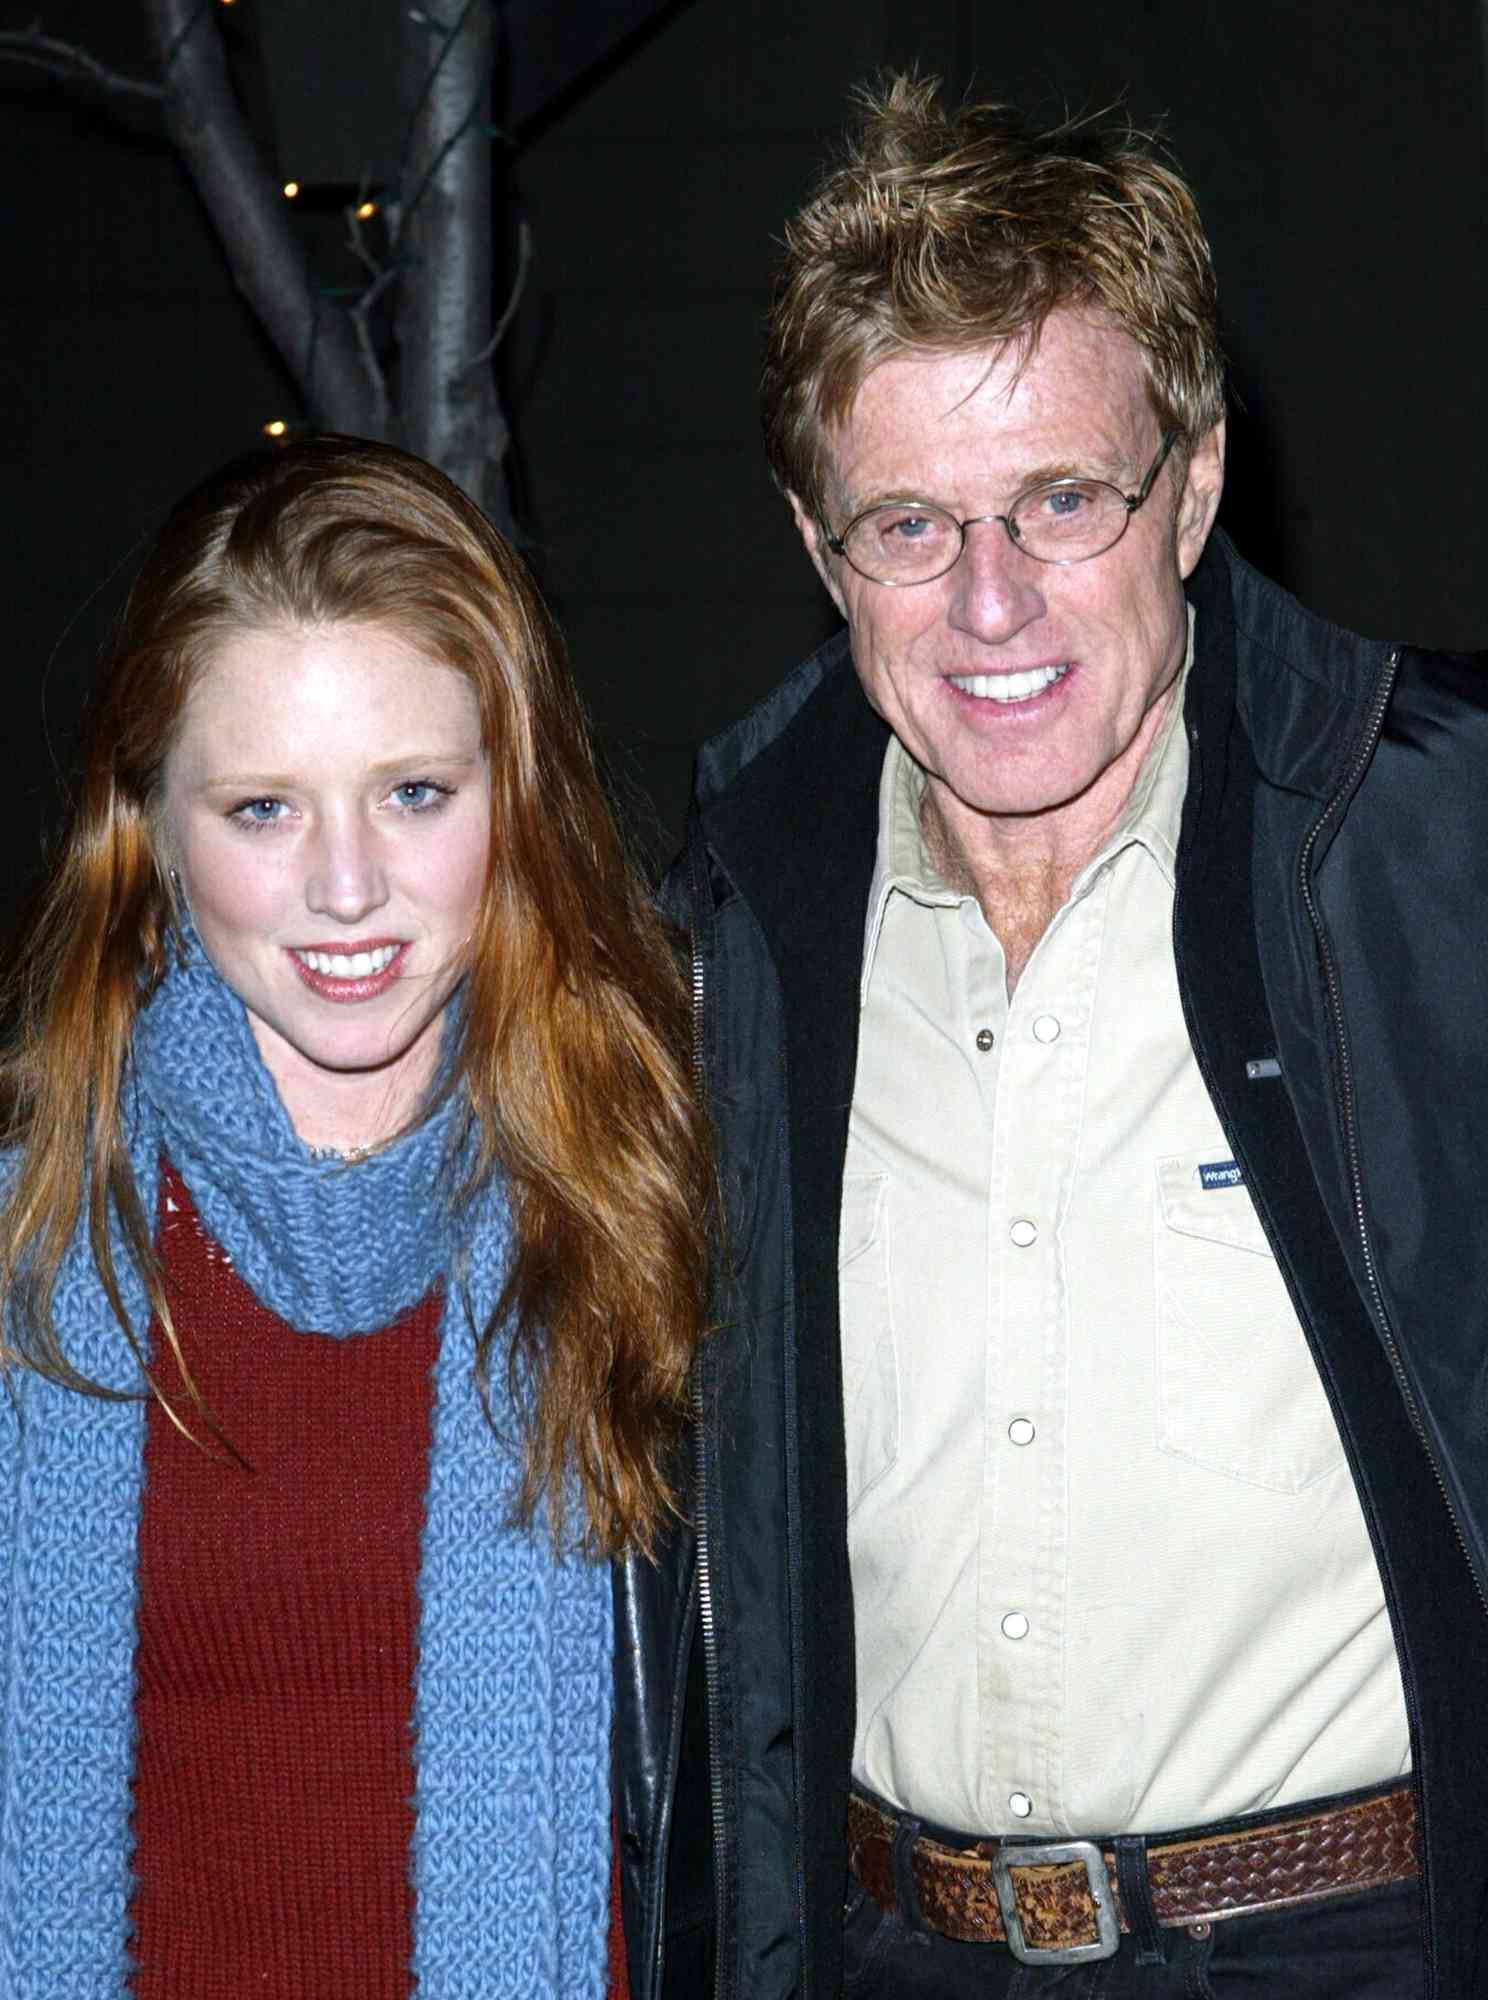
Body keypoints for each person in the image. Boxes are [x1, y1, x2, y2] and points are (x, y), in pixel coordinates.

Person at [617, 75, 1488, 2000]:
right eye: (910, 523)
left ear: (1191, 488)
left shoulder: (1432, 854)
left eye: (1062, 501)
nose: (990, 600)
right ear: (818, 546)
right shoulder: (728, 945)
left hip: (1352, 1948)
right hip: (884, 1952)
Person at [0, 434, 711, 1998]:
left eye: (414, 793)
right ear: (150, 827)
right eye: (262, 809)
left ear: (513, 794)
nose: (348, 888)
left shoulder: (668, 1174)